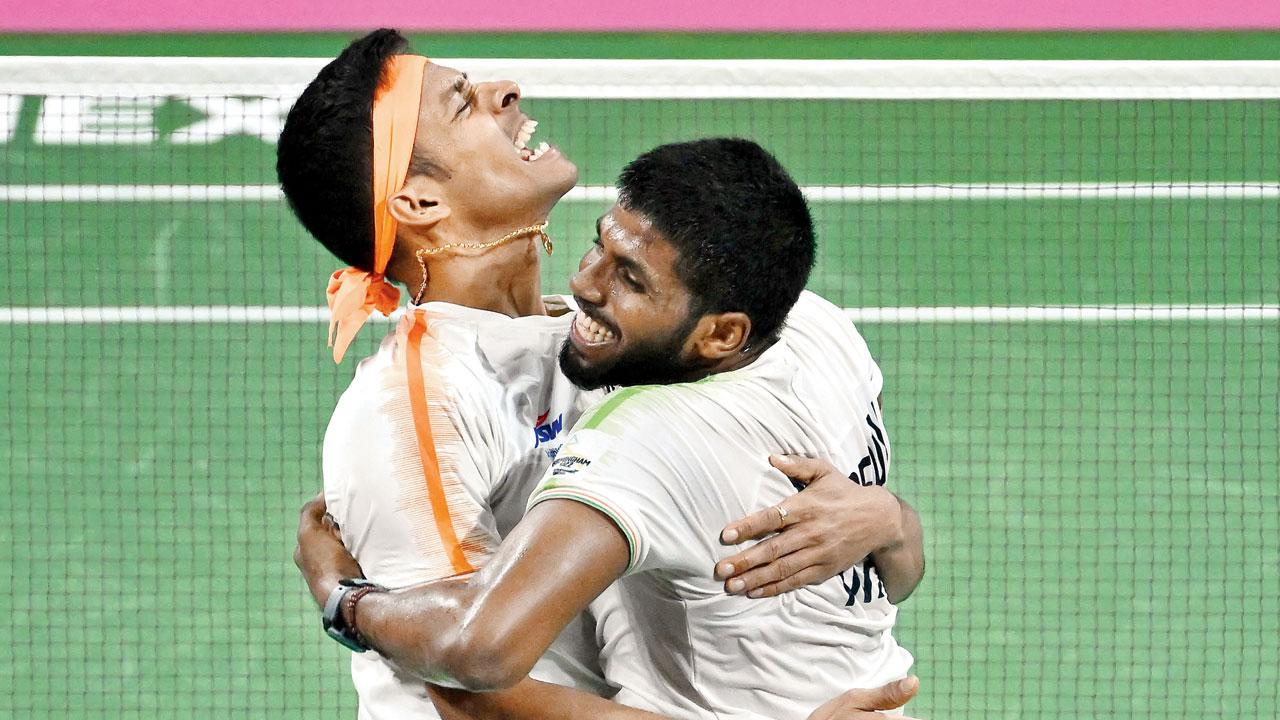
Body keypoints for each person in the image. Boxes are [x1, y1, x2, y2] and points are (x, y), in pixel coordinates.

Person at [279, 30, 923, 719]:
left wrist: (883, 519)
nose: (507, 91)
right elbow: (471, 688)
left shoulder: (608, 337)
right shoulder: (415, 407)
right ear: (420, 205)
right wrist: (342, 600)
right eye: (464, 105)